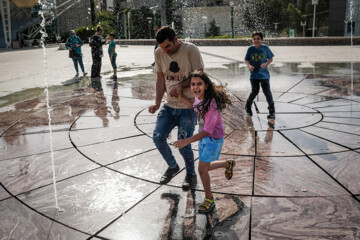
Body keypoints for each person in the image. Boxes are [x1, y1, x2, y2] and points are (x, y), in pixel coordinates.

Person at [148, 26, 204, 190]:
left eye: (168, 46)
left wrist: (179, 85)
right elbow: (160, 79)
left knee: (183, 142)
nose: (165, 51)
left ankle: (191, 174)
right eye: (162, 47)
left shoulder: (191, 50)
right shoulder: (159, 53)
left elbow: (199, 76)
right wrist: (157, 103)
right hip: (169, 106)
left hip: (188, 107)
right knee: (158, 137)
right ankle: (173, 166)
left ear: (175, 39)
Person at [173, 71, 235, 214]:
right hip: (204, 137)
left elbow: (207, 131)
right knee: (204, 167)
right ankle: (228, 164)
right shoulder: (199, 99)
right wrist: (181, 96)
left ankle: (209, 199)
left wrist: (186, 141)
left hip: (212, 139)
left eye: (199, 84)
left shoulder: (211, 105)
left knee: (202, 169)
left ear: (206, 86)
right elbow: (195, 107)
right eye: (193, 84)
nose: (195, 87)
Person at [244, 31, 275, 119]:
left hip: (264, 75)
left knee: (267, 92)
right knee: (254, 91)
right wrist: (249, 65)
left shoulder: (265, 48)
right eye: (254, 39)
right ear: (252, 40)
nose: (256, 41)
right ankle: (248, 106)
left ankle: (272, 110)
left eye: (258, 39)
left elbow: (271, 58)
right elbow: (246, 60)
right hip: (254, 75)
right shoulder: (250, 49)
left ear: (262, 39)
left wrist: (266, 64)